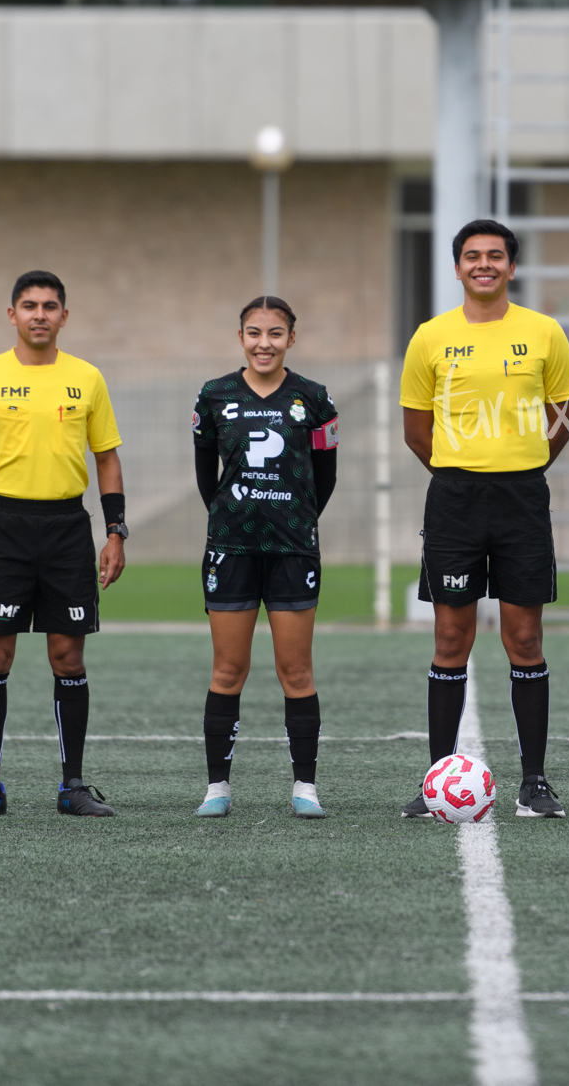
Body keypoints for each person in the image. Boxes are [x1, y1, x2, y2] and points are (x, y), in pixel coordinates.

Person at [399, 219, 569, 819]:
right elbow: (416, 431)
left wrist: (521, 464)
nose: (484, 265)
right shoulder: (430, 337)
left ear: (511, 266)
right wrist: (461, 469)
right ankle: (435, 784)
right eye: (472, 256)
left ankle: (534, 782)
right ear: (457, 269)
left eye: (495, 256)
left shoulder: (545, 332)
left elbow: (565, 417)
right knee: (451, 638)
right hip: (453, 500)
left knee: (523, 638)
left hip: (523, 500)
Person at [0, 272, 127, 819]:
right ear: (12, 315)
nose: (40, 314)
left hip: (68, 529)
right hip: (4, 528)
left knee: (67, 655)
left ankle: (72, 785)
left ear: (64, 317)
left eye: (50, 306)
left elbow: (107, 459)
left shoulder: (87, 378)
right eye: (29, 306)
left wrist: (116, 531)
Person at [190, 297, 340, 819]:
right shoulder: (214, 396)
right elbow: (206, 475)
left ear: (291, 340)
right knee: (228, 669)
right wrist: (233, 514)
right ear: (240, 337)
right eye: (254, 333)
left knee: (295, 669)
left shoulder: (315, 399)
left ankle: (305, 786)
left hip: (293, 547)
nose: (264, 343)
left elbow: (327, 478)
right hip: (231, 547)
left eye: (275, 334)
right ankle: (217, 788)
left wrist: (293, 516)